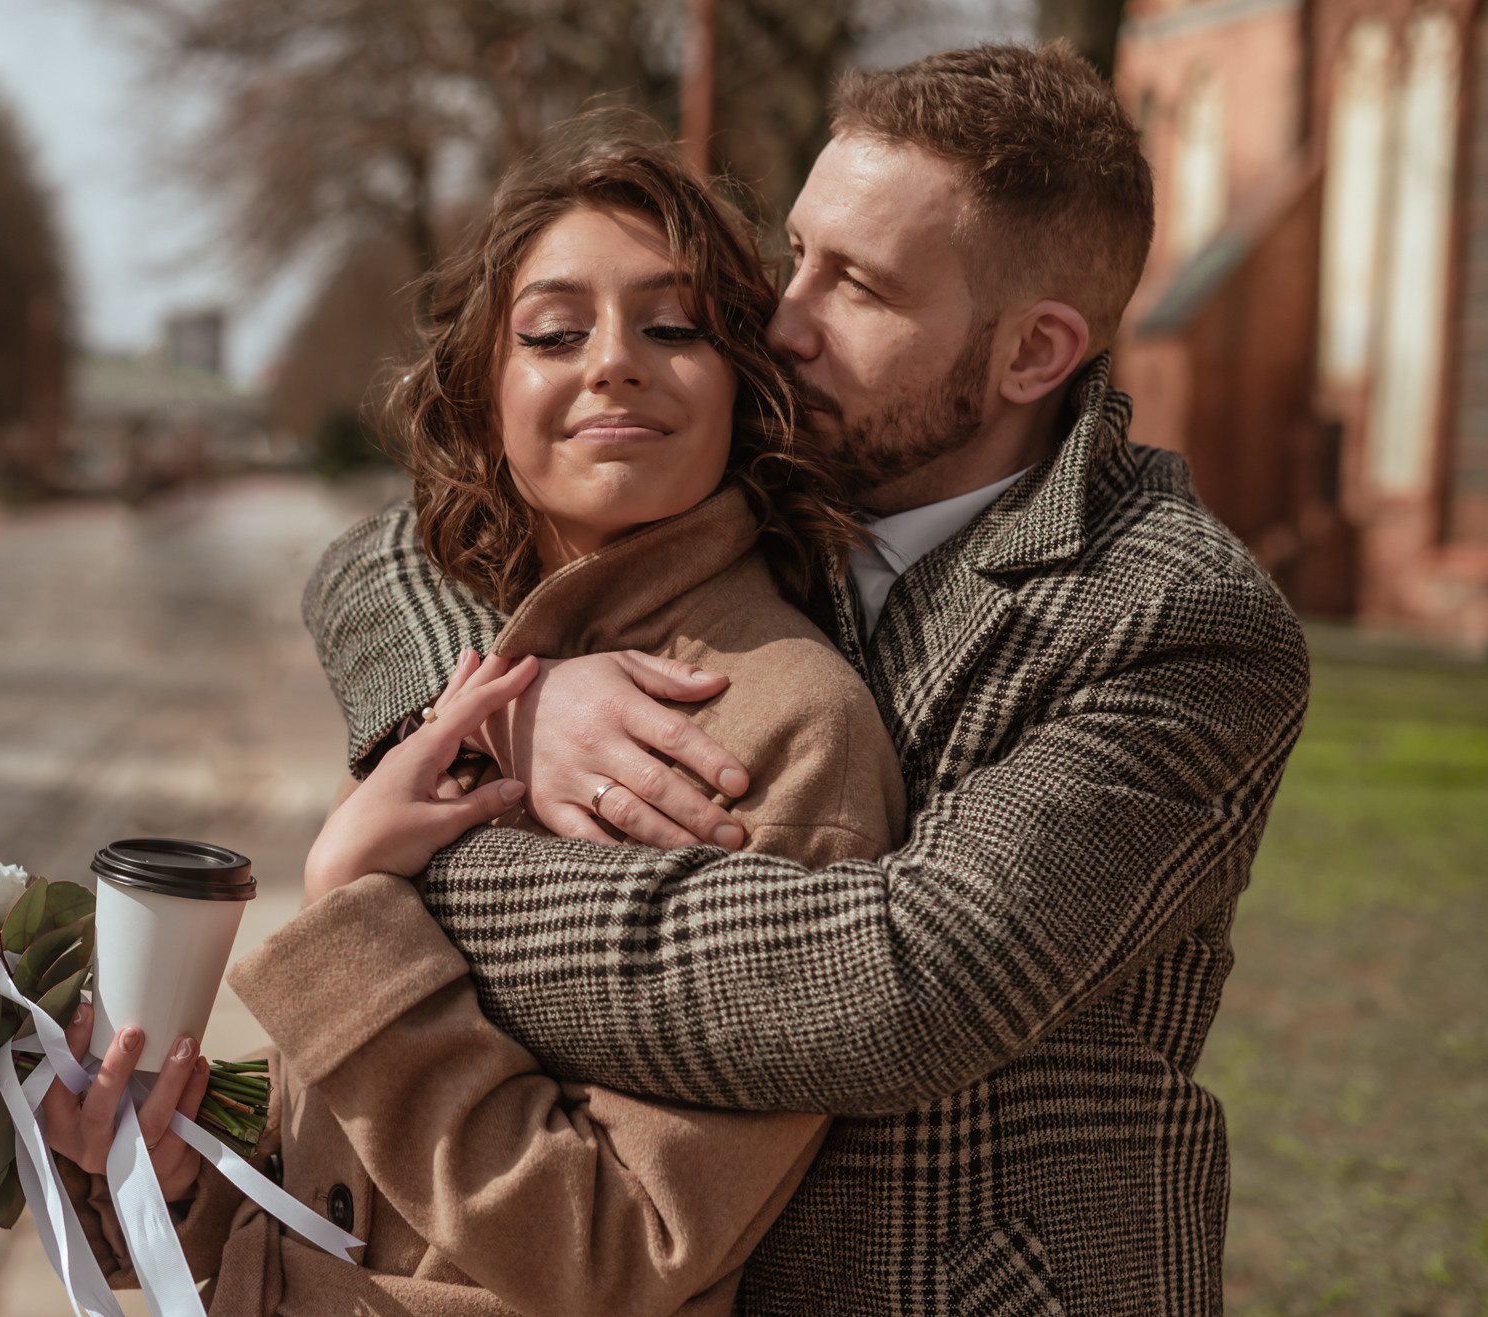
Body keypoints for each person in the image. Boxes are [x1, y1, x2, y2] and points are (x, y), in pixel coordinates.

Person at [299, 44, 1310, 1314]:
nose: (782, 318)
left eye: (860, 287)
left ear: (1032, 354)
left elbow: (908, 988)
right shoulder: (780, 457)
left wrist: (407, 874)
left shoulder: (1179, 619)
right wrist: (508, 706)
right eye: (799, 254)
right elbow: (389, 547)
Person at [43, 132, 906, 1315]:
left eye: (673, 327)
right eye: (553, 334)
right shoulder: (470, 669)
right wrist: (179, 1177)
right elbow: (364, 1188)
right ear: (486, 395)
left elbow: (625, 1253)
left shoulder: (786, 721)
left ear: (745, 388)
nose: (613, 365)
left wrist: (350, 904)